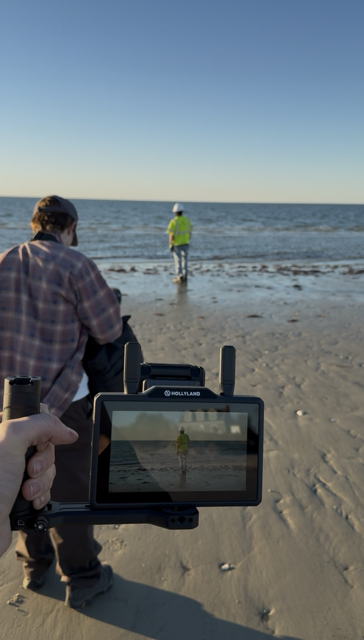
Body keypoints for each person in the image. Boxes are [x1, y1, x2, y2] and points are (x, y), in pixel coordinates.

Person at [0, 195, 123, 608]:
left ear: (35, 223)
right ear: (69, 228)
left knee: (19, 483)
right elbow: (107, 329)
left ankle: (34, 565)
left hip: (10, 404)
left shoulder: (3, 260)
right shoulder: (76, 264)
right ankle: (83, 577)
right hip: (64, 401)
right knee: (66, 490)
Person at [0, 412, 78, 558]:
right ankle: (81, 574)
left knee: (32, 499)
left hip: (14, 419)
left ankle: (79, 572)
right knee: (25, 507)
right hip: (66, 411)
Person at [166, 203, 192, 284]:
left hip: (177, 244)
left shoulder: (173, 221)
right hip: (186, 242)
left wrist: (170, 244)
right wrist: (187, 239)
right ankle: (185, 275)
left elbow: (171, 234)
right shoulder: (187, 220)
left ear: (175, 212)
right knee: (185, 260)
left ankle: (179, 276)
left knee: (178, 260)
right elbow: (190, 232)